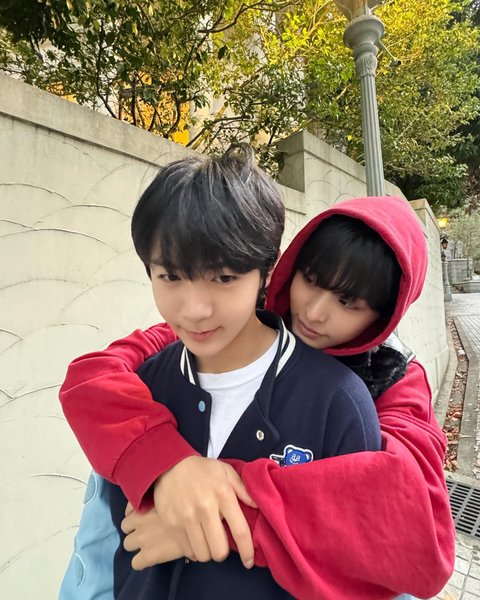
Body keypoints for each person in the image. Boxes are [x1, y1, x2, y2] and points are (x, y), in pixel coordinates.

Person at [60, 188, 456, 597]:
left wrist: (212, 515)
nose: (315, 312)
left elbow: (408, 524)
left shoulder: (391, 378)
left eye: (347, 302)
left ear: (385, 314)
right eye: (310, 280)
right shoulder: (226, 326)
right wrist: (169, 465)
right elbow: (95, 375)